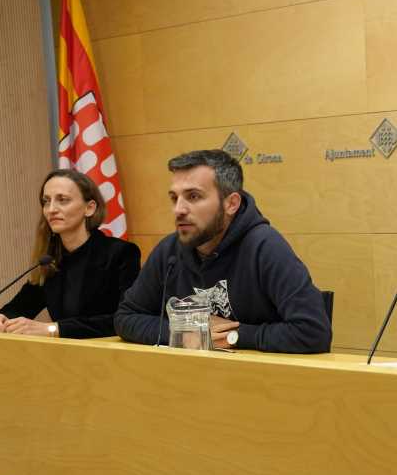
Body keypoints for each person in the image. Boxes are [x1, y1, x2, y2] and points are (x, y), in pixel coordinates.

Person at [114, 149, 331, 353]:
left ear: (231, 204)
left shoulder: (265, 246)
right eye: (174, 198)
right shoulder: (169, 250)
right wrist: (186, 334)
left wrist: (233, 336)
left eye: (193, 196)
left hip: (256, 375)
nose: (178, 209)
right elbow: (126, 317)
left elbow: (313, 332)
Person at [0, 169, 141, 338]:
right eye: (46, 201)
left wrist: (54, 329)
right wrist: (2, 318)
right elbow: (21, 305)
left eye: (62, 200)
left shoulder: (120, 253)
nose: (51, 209)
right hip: (62, 352)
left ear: (89, 208)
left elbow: (125, 320)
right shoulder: (50, 259)